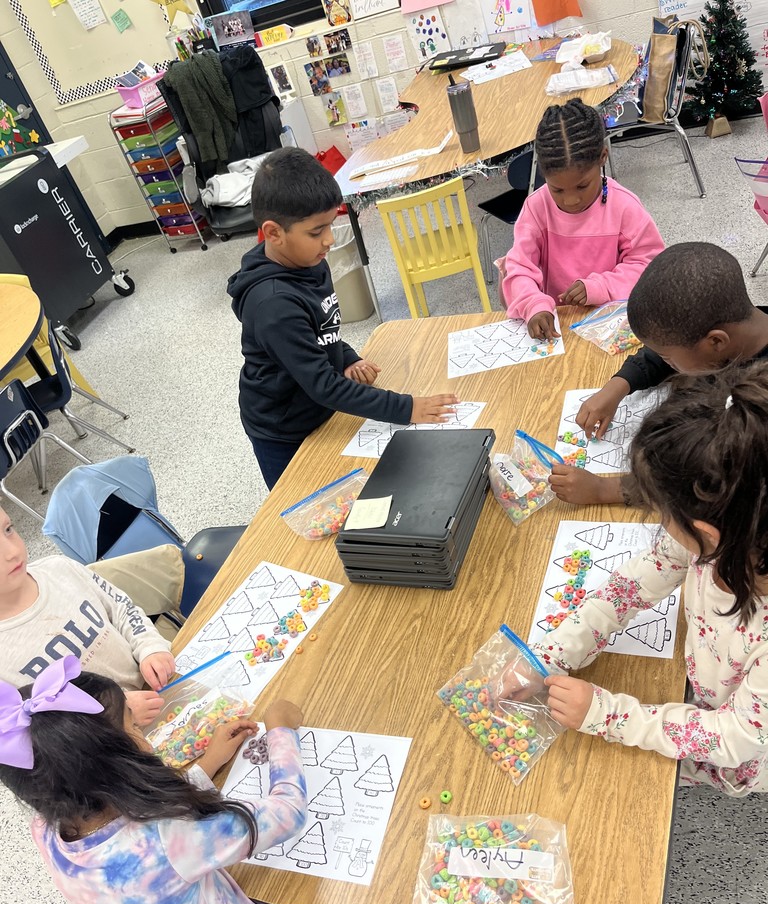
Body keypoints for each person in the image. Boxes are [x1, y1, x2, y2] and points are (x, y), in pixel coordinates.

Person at [0, 661, 412, 904]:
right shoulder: (165, 838)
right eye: (133, 726)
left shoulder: (50, 827)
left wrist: (207, 765)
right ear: (115, 768)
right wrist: (282, 730)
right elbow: (287, 813)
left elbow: (147, 821)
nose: (145, 732)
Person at [537, 364, 768, 795]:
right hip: (711, 689)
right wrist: (562, 646)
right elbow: (641, 578)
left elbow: (733, 737)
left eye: (664, 513)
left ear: (707, 532)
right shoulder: (727, 531)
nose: (662, 523)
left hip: (739, 742)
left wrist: (606, 713)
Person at [228, 148, 458, 489]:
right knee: (301, 503)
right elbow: (324, 386)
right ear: (274, 233)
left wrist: (346, 357)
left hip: (321, 408)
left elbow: (321, 328)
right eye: (317, 231)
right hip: (283, 429)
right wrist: (406, 408)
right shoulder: (273, 305)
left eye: (332, 224)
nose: (330, 239)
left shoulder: (307, 260)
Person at [550, 242, 768, 505]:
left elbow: (715, 484)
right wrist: (618, 386)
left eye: (667, 356)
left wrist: (605, 489)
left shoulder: (758, 408)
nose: (664, 359)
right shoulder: (737, 325)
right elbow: (666, 349)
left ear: (716, 342)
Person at [501, 98, 664, 343]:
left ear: (602, 157)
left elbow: (650, 267)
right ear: (543, 174)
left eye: (582, 186)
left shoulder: (624, 207)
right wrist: (533, 305)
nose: (571, 200)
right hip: (556, 325)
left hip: (611, 321)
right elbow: (520, 268)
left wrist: (601, 287)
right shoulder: (536, 207)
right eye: (557, 190)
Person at [0, 507, 174, 725]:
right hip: (116, 745)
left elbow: (121, 608)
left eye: (8, 529)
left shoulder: (60, 569)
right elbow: (37, 734)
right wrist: (117, 714)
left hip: (164, 687)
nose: (13, 551)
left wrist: (150, 648)